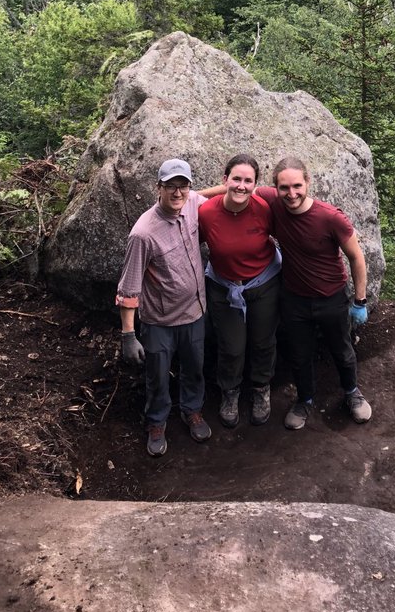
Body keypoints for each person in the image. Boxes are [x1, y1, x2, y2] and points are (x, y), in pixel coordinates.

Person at [256, 155, 372, 430]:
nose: (291, 193)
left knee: (341, 349)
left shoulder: (330, 217)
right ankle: (305, 400)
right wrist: (193, 196)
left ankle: (352, 392)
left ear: (308, 182)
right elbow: (238, 188)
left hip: (332, 297)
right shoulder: (274, 202)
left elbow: (356, 257)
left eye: (297, 185)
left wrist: (360, 301)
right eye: (284, 187)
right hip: (294, 299)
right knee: (299, 353)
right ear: (275, 188)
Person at [116, 158, 211, 457]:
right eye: (171, 186)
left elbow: (211, 194)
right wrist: (128, 335)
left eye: (183, 185)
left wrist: (240, 188)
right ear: (158, 187)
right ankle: (156, 422)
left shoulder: (193, 203)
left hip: (195, 313)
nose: (177, 192)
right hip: (160, 322)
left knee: (194, 368)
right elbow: (129, 287)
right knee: (157, 376)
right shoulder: (143, 233)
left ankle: (192, 410)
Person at [198, 153, 281, 429]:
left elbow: (295, 215)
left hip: (263, 283)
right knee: (231, 346)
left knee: (263, 342)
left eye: (248, 181)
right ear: (225, 180)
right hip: (224, 287)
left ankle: (260, 388)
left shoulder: (264, 207)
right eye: (236, 179)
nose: (241, 186)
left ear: (255, 185)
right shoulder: (206, 213)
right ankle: (230, 391)